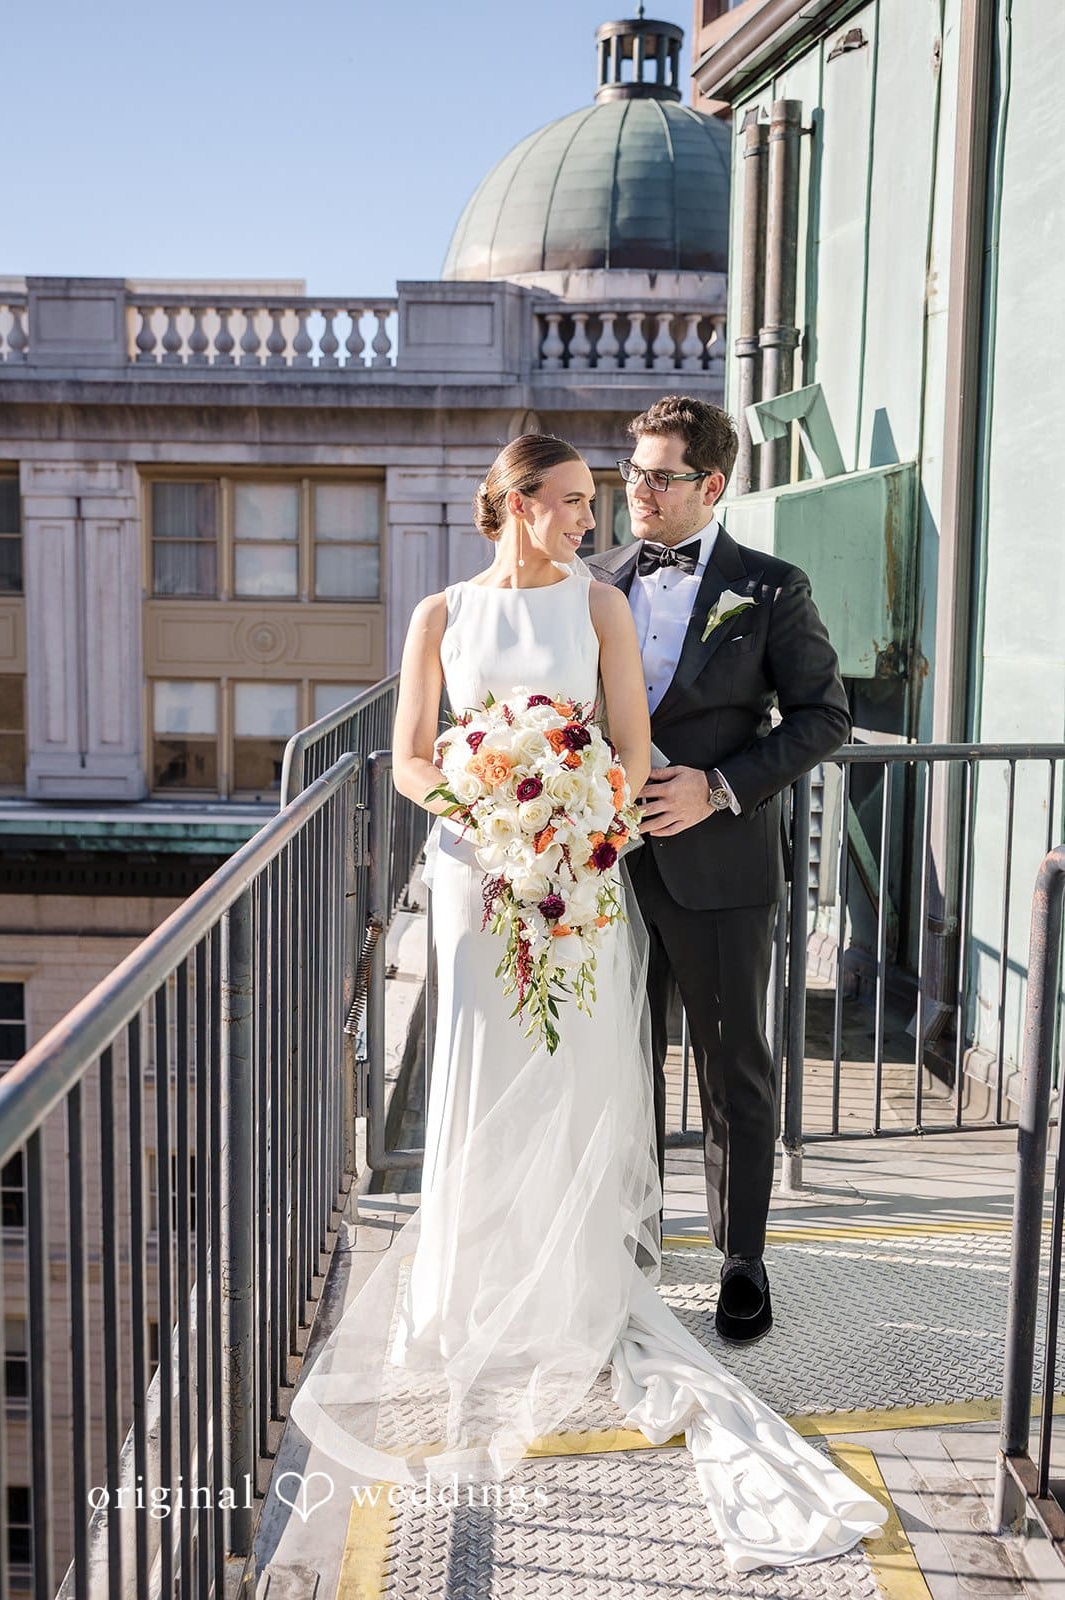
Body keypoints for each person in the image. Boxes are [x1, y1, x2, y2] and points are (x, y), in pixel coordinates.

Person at [289, 434, 885, 1571]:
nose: (601, 510)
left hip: (592, 870)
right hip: (478, 875)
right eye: (574, 497)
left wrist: (565, 813)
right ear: (514, 504)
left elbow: (635, 741)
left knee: (657, 1068)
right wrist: (487, 806)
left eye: (619, 490)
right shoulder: (442, 616)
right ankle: (479, 1280)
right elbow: (411, 757)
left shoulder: (654, 598)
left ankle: (702, 1268)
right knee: (483, 1077)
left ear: (705, 485)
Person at [586, 396, 852, 1345]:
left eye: (659, 476)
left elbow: (823, 718)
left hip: (723, 868)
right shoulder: (590, 579)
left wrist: (721, 788)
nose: (638, 493)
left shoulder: (771, 588)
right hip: (602, 872)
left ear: (712, 484)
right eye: (633, 473)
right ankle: (631, 1246)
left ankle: (742, 1259)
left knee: (732, 1066)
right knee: (618, 1066)